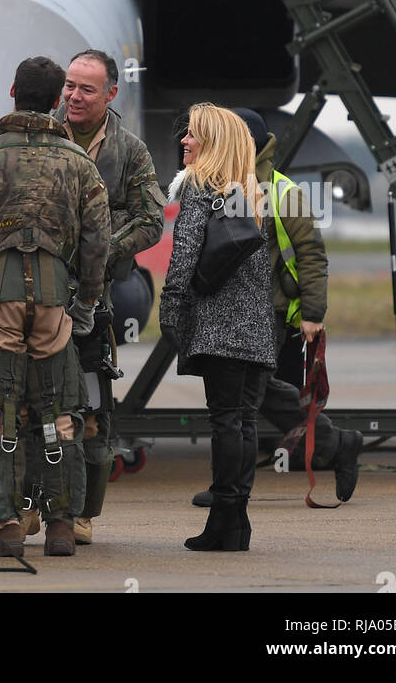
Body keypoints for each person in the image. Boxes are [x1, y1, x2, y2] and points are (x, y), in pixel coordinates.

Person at [0, 57, 111, 558]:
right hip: (55, 298)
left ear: (12, 91)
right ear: (57, 100)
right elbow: (98, 240)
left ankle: (6, 525)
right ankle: (60, 524)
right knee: (60, 410)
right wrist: (89, 301)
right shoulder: (79, 162)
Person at [187, 107, 361, 506]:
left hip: (269, 312)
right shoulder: (216, 188)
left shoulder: (283, 193)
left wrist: (314, 313)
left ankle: (228, 491)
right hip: (231, 313)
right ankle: (337, 442)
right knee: (254, 398)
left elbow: (312, 255)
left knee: (241, 404)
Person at [44, 48, 165, 546]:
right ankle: (40, 505)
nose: (73, 96)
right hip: (43, 294)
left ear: (111, 94)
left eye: (86, 89)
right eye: (69, 85)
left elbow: (153, 220)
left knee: (92, 412)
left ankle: (83, 513)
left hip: (97, 302)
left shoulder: (130, 151)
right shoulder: (39, 137)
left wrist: (103, 250)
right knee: (38, 408)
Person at [159, 103, 276, 550]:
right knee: (243, 421)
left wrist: (170, 306)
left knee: (225, 421)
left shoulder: (199, 186)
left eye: (192, 135)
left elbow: (185, 250)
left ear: (213, 143)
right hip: (254, 327)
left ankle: (224, 521)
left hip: (220, 327)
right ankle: (236, 521)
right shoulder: (244, 190)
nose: (184, 142)